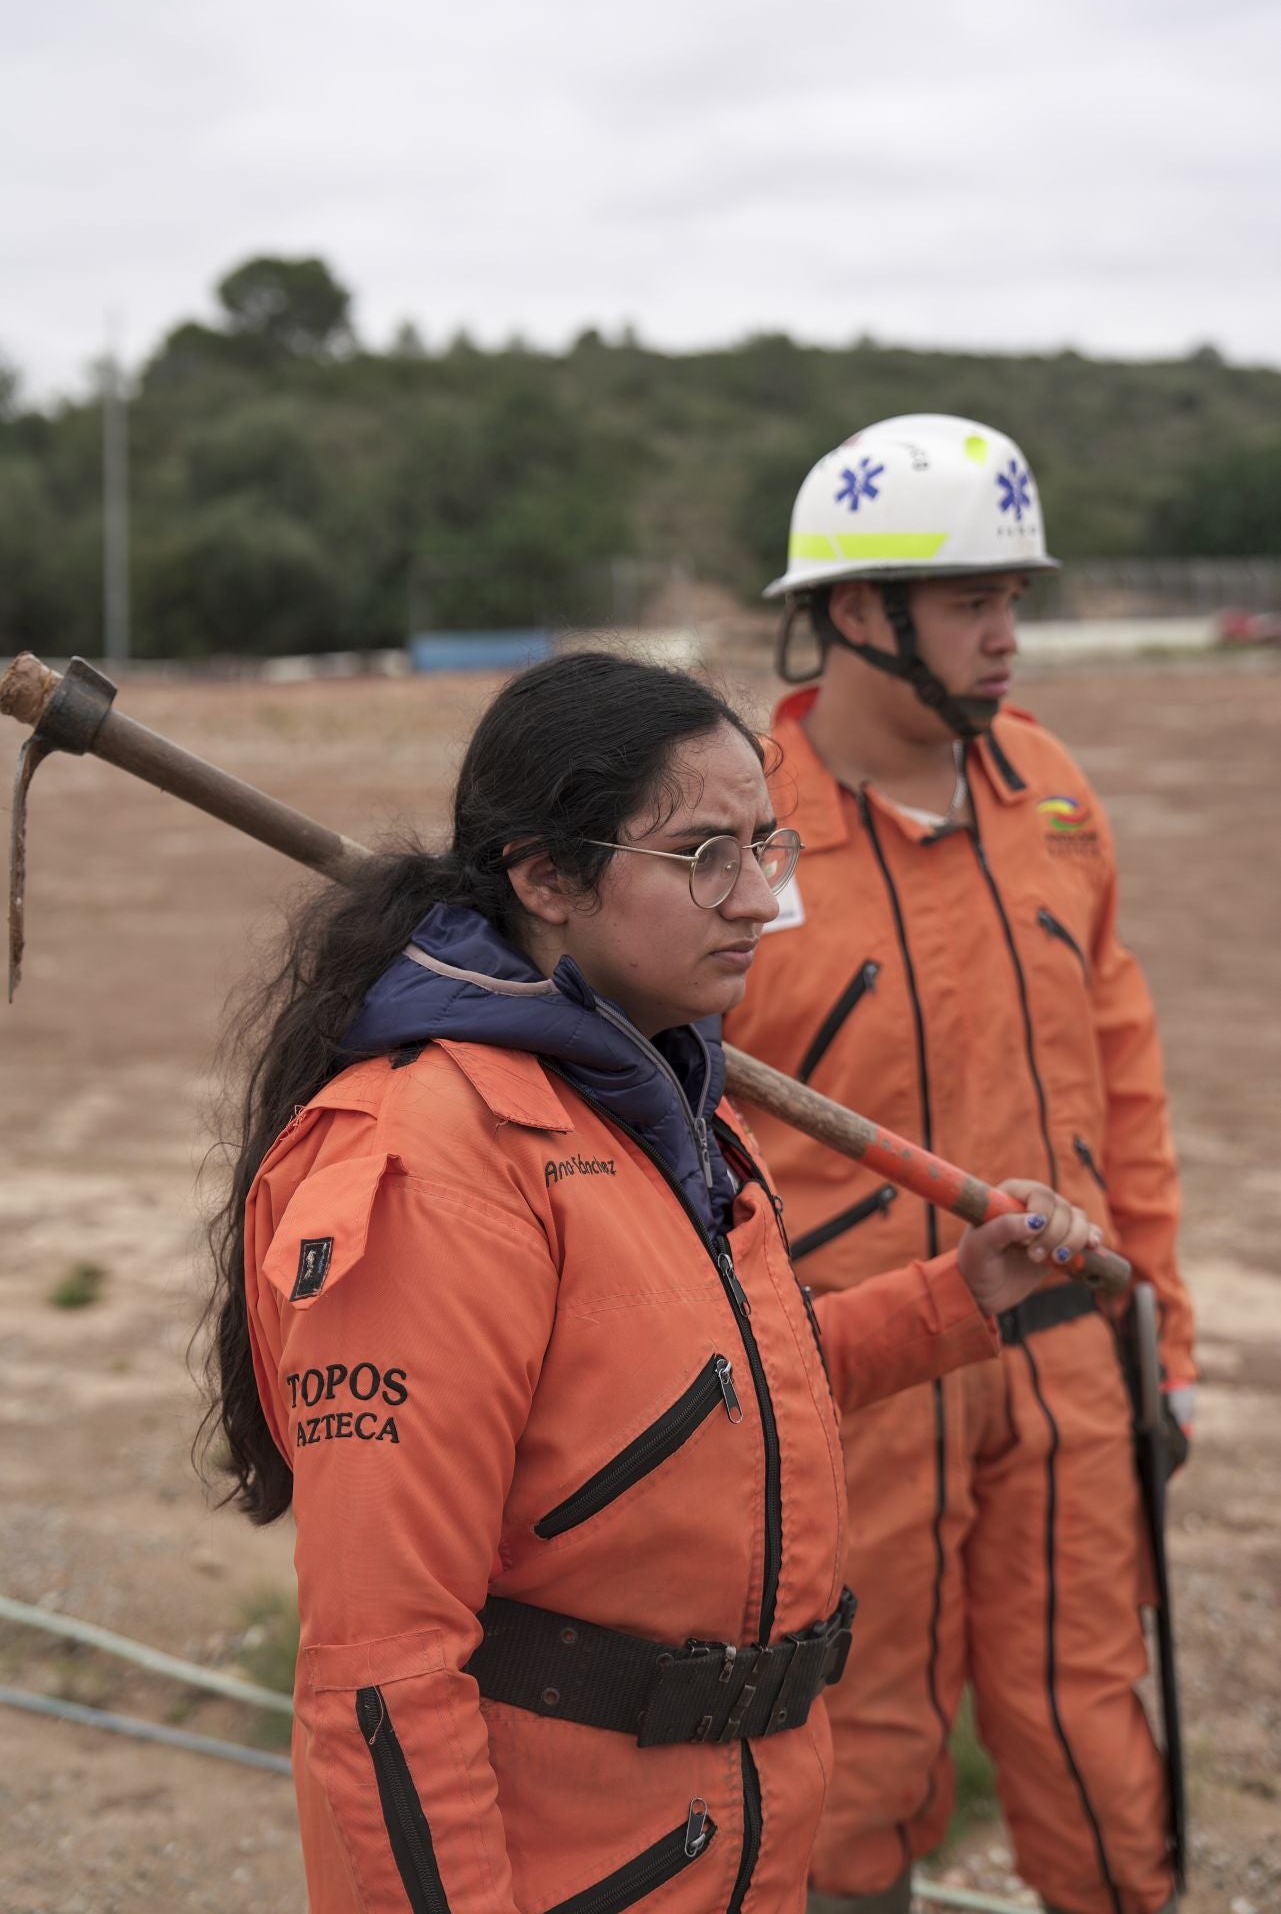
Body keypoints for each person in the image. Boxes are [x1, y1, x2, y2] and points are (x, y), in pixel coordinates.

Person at [205, 649, 1096, 1914]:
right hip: (566, 1868)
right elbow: (381, 1672)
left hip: (732, 1847)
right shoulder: (430, 1164)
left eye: (767, 847)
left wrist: (958, 1298)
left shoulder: (653, 1099)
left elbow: (694, 1413)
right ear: (548, 877)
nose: (757, 903)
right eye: (703, 858)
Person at [724, 414, 1195, 1914]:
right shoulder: (737, 839)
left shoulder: (1048, 790)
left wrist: (1160, 1333)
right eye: (973, 602)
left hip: (1069, 1350)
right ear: (859, 612)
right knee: (853, 1750)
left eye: (1014, 601)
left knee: (1091, 1727)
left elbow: (1123, 1082)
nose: (1007, 638)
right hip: (855, 1370)